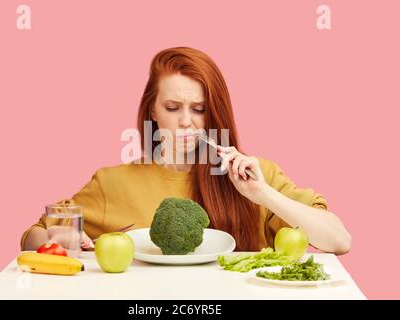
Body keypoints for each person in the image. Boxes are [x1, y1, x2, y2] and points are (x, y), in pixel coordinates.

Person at [21, 47, 351, 254]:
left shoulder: (255, 174)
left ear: (213, 112)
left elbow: (339, 240)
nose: (185, 122)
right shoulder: (112, 182)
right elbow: (33, 234)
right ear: (152, 111)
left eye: (198, 109)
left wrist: (263, 194)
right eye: (172, 107)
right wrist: (55, 238)